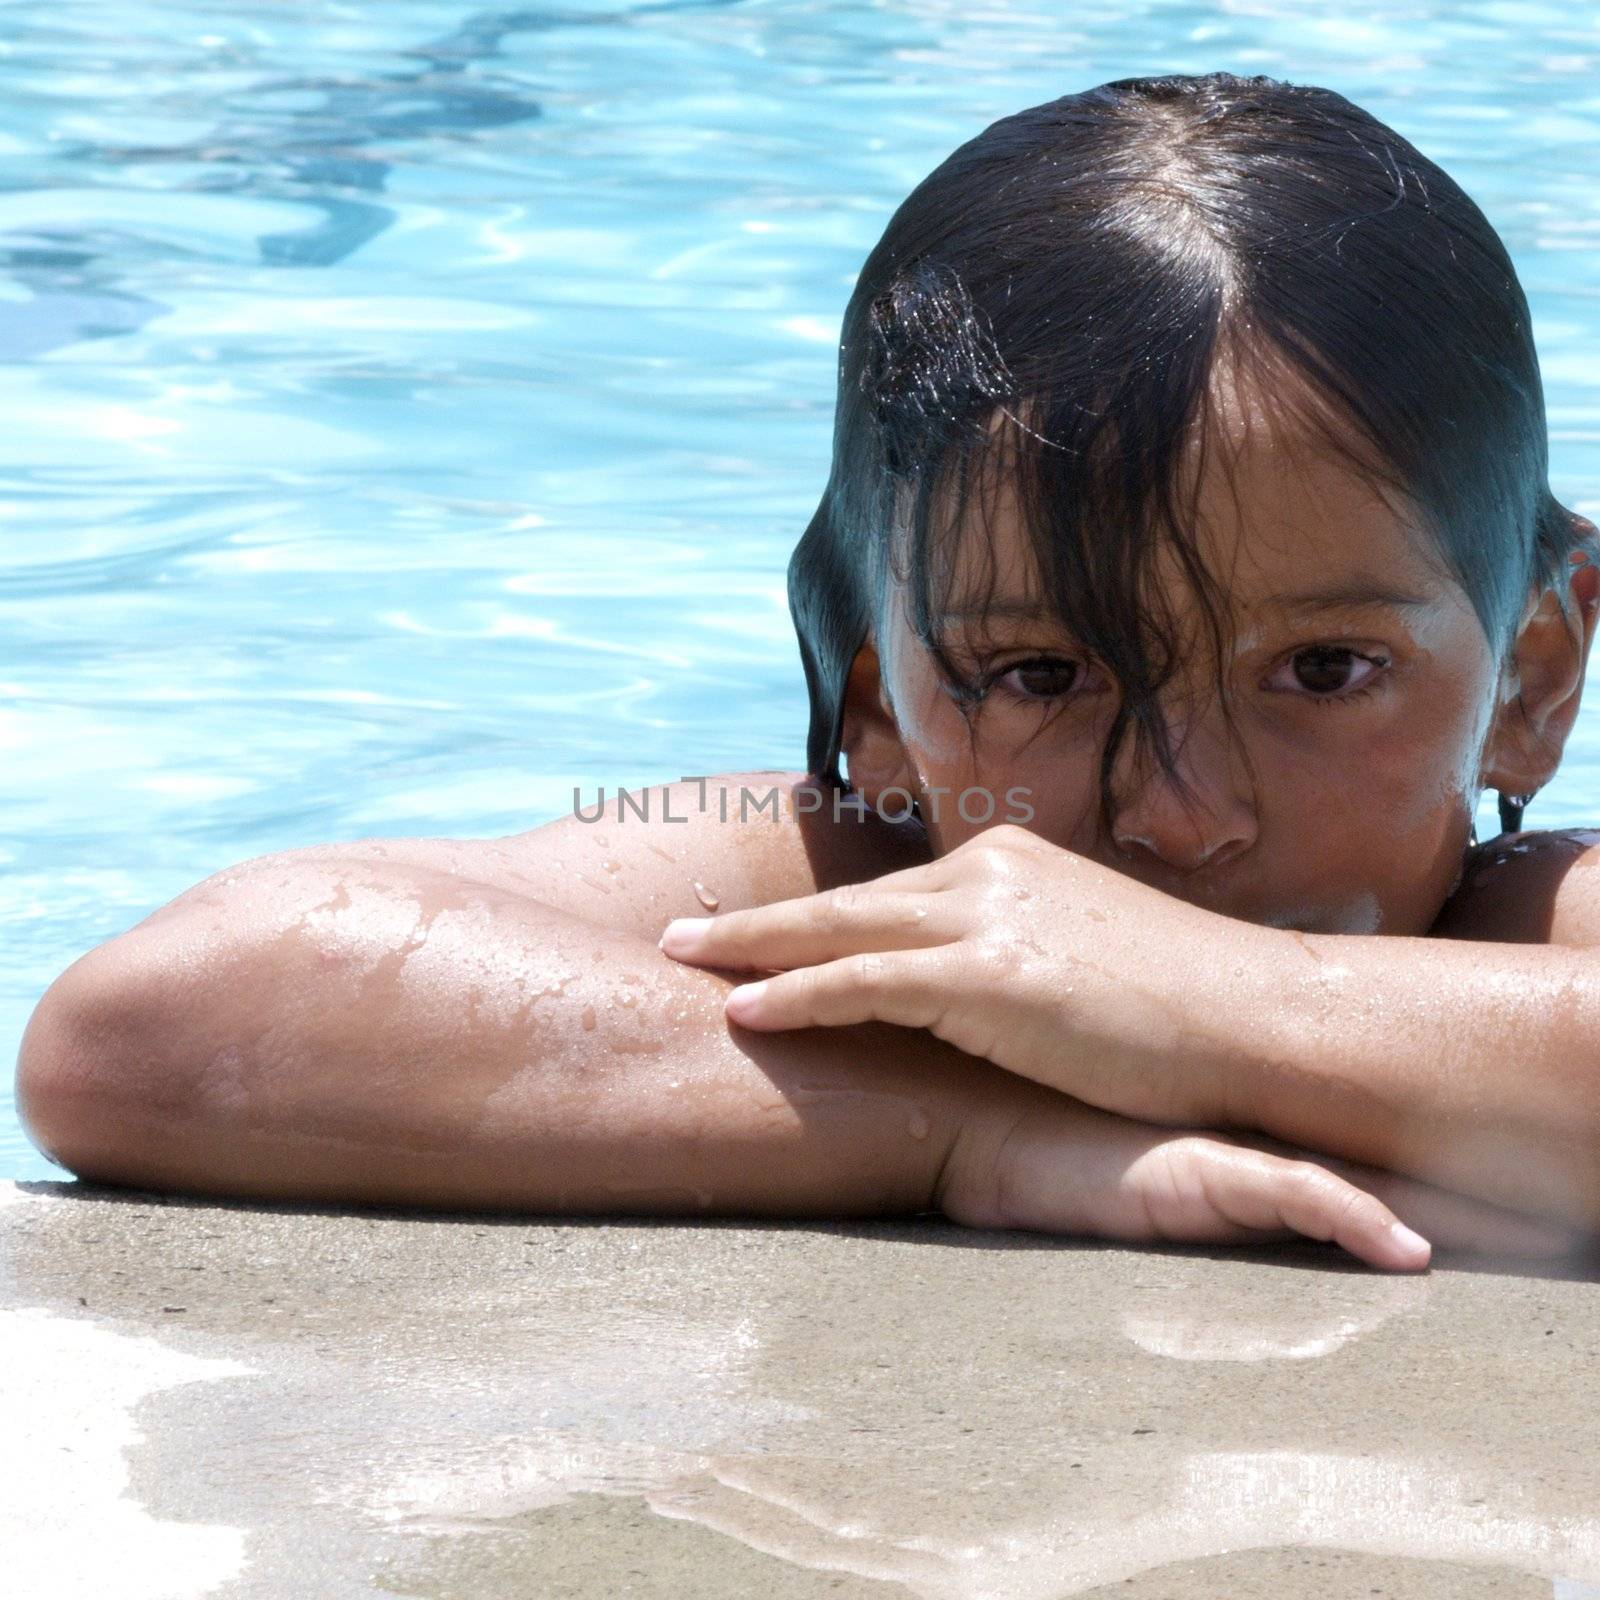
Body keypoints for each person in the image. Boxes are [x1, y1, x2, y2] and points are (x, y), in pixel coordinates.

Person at [17, 72, 1600, 1271]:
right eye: (1041, 674)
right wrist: (968, 1125)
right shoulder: (856, 874)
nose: (1182, 820)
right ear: (877, 716)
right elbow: (148, 1023)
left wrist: (1207, 1000)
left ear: (1533, 676)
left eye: (1325, 669)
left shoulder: (1531, 913)